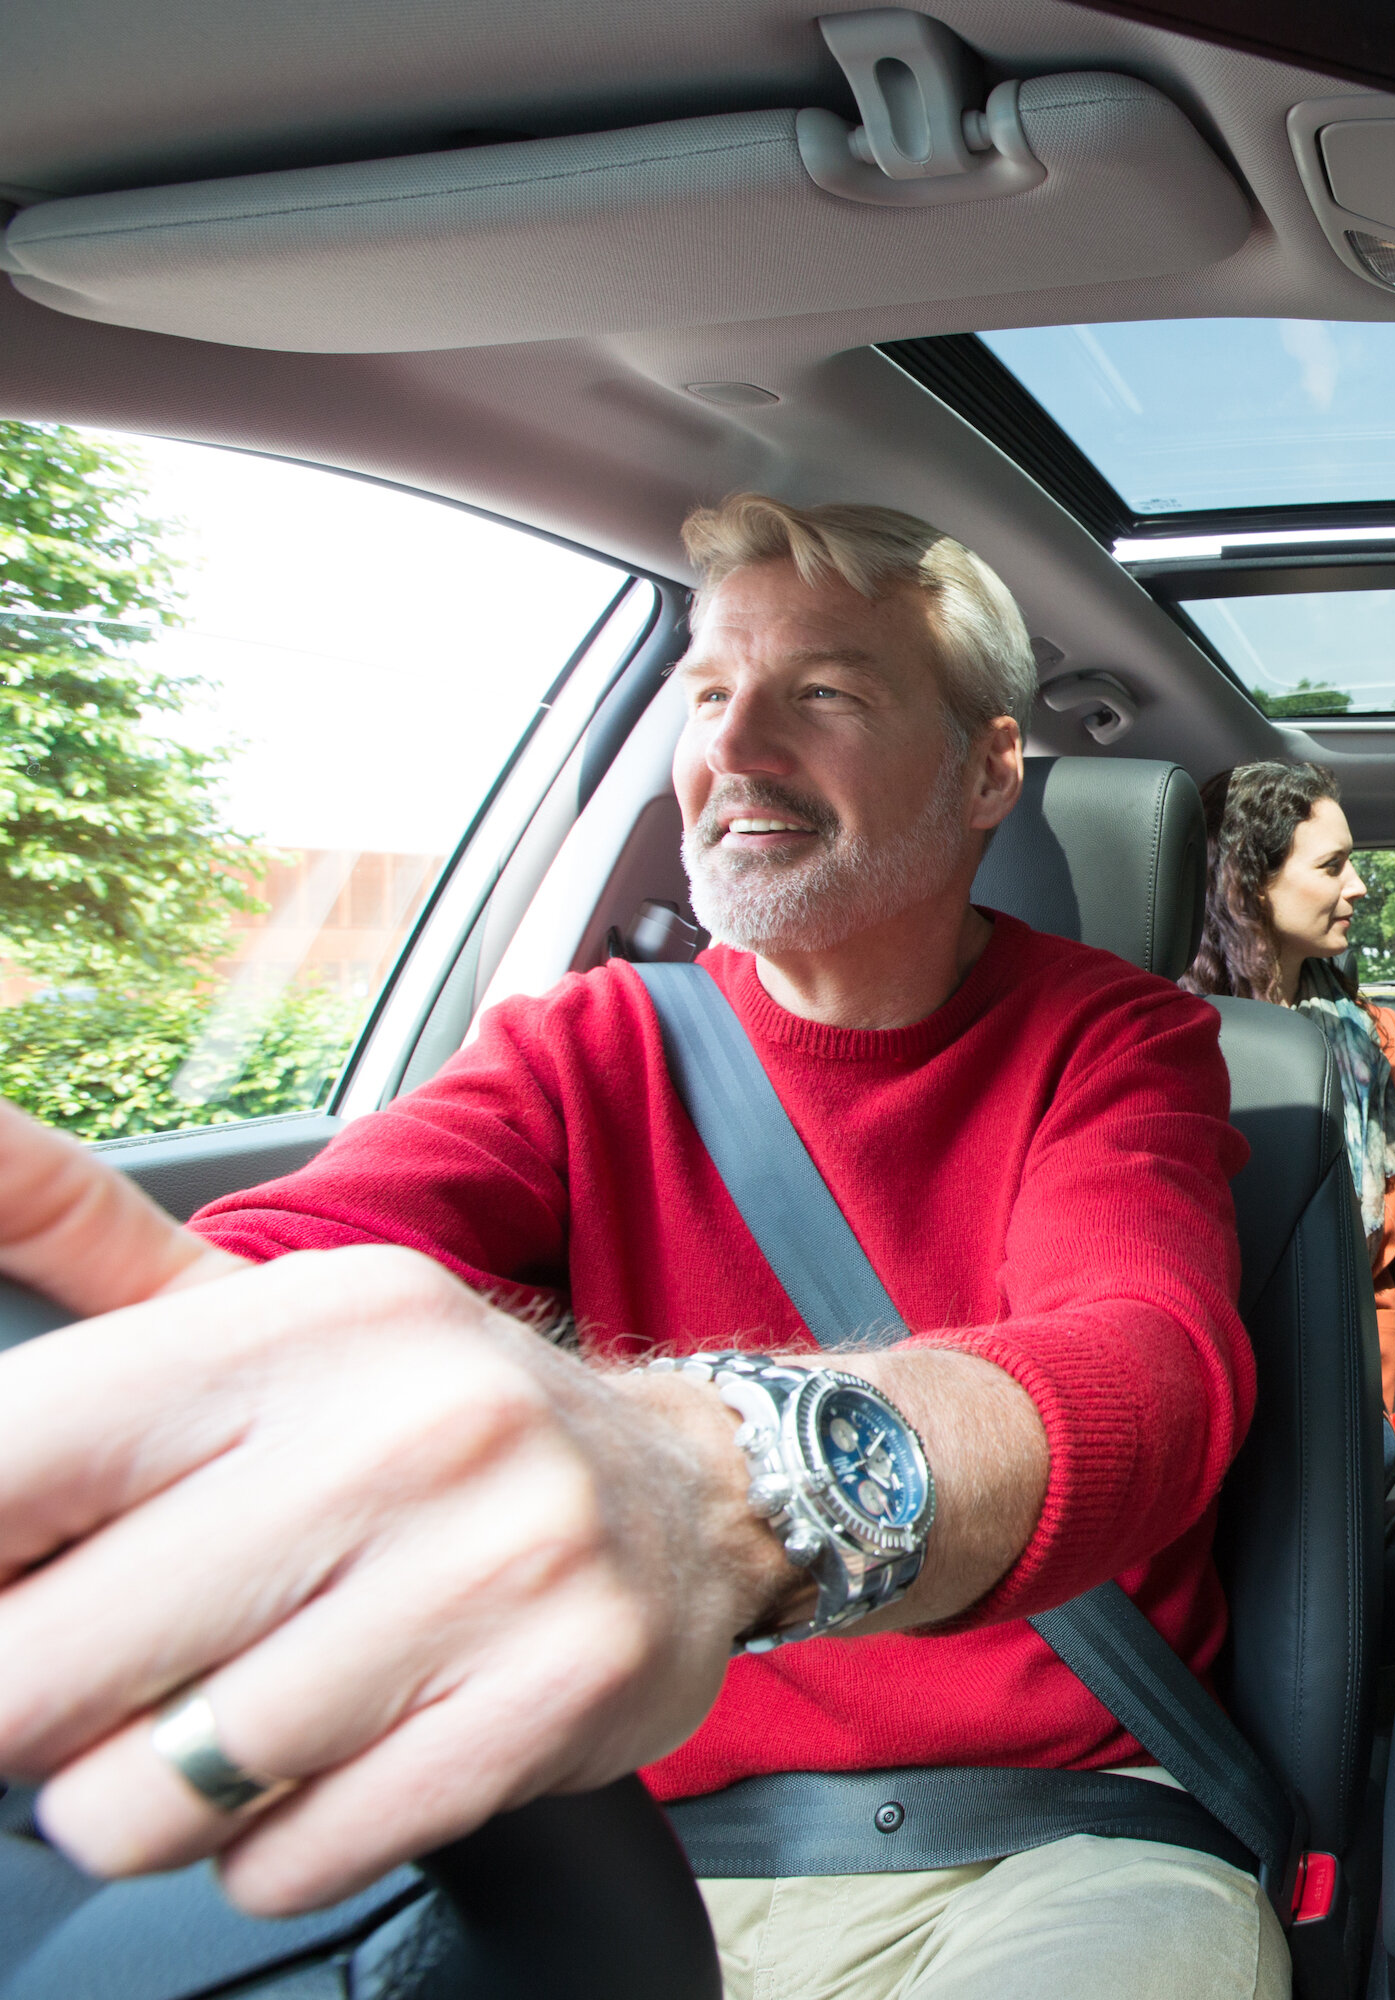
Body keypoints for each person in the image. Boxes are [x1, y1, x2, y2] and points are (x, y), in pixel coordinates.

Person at [0, 495, 1286, 1999]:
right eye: (706, 691)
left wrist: (718, 1489)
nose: (734, 749)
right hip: (600, 1844)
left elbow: (1145, 1366)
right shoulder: (574, 1047)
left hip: (1051, 1846)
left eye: (823, 692)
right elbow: (297, 1272)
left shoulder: (1117, 1039)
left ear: (990, 768)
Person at [1182, 761, 1395, 1424]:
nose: (1358, 888)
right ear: (1249, 883)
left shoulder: (1376, 1038)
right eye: (1333, 866)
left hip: (1348, 1387)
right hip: (1201, 1367)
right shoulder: (1168, 1036)